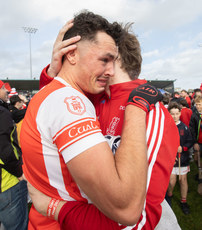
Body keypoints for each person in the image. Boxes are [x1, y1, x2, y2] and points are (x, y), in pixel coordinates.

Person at [29, 19, 180, 229]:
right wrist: (55, 72)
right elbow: (54, 111)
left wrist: (57, 209)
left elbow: (138, 219)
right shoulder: (91, 99)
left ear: (115, 57)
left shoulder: (150, 111)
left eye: (105, 57)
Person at [0, 80, 28, 230]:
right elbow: (5, 150)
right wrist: (19, 172)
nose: (6, 91)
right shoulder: (2, 112)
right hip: (8, 182)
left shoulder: (5, 110)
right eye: (3, 88)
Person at [167, 102, 193, 214]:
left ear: (180, 113)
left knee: (183, 180)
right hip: (171, 159)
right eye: (172, 114)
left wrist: (183, 148)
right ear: (169, 114)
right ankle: (169, 196)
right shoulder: (166, 127)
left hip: (183, 159)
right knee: (172, 181)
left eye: (177, 113)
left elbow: (190, 141)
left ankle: (183, 201)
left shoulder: (185, 127)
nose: (175, 116)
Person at [189, 96, 202, 195]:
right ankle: (199, 172)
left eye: (199, 104)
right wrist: (195, 142)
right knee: (197, 159)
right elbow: (192, 129)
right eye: (196, 104)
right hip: (198, 142)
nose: (197, 106)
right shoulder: (194, 115)